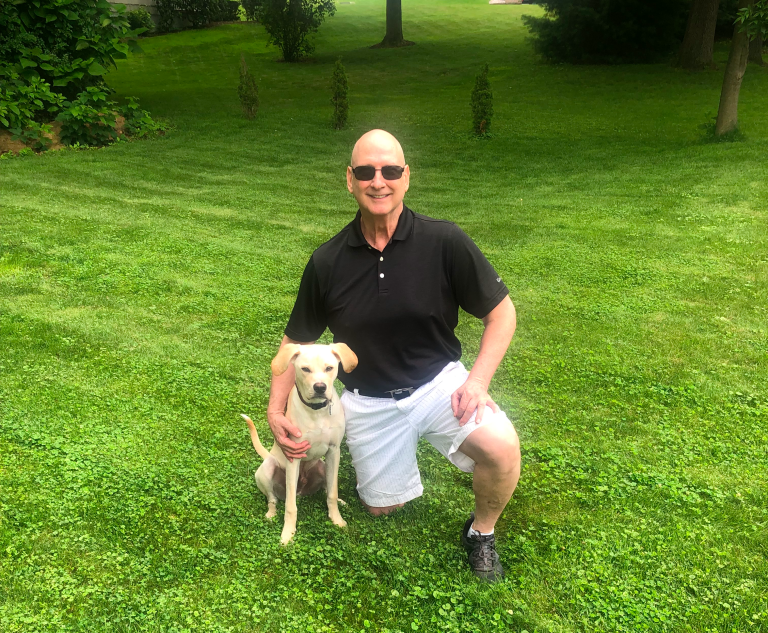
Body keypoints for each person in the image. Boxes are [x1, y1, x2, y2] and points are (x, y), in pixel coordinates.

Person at [266, 129, 520, 582]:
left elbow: (502, 314)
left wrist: (477, 382)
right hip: (369, 401)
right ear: (350, 180)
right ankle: (372, 463)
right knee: (382, 507)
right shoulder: (327, 261)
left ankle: (481, 534)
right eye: (366, 171)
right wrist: (274, 410)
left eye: (390, 171)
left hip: (441, 386)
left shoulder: (444, 241)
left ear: (406, 177)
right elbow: (293, 342)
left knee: (501, 449)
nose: (378, 181)